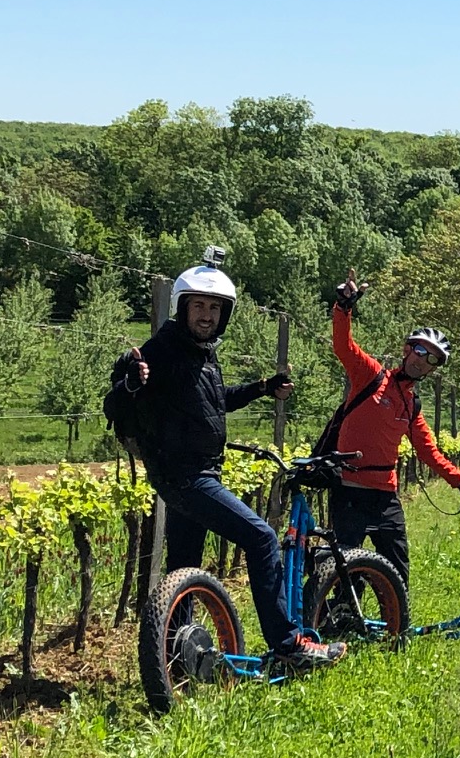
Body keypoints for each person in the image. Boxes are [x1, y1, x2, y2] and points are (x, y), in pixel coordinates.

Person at [106, 252, 342, 666]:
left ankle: (174, 656)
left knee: (184, 568)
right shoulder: (162, 350)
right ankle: (289, 646)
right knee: (262, 538)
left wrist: (262, 387)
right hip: (188, 477)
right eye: (198, 305)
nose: (206, 315)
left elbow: (216, 402)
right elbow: (116, 403)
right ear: (182, 307)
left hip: (190, 476)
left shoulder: (201, 353)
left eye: (215, 308)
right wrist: (128, 384)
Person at [321, 269, 460, 584]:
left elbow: (428, 451)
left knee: (396, 574)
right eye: (420, 351)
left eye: (432, 359)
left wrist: (458, 479)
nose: (422, 361)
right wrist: (344, 308)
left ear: (434, 370)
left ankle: (397, 632)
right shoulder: (371, 376)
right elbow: (344, 346)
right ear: (407, 350)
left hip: (385, 497)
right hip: (349, 490)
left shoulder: (411, 406)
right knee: (342, 574)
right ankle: (335, 623)